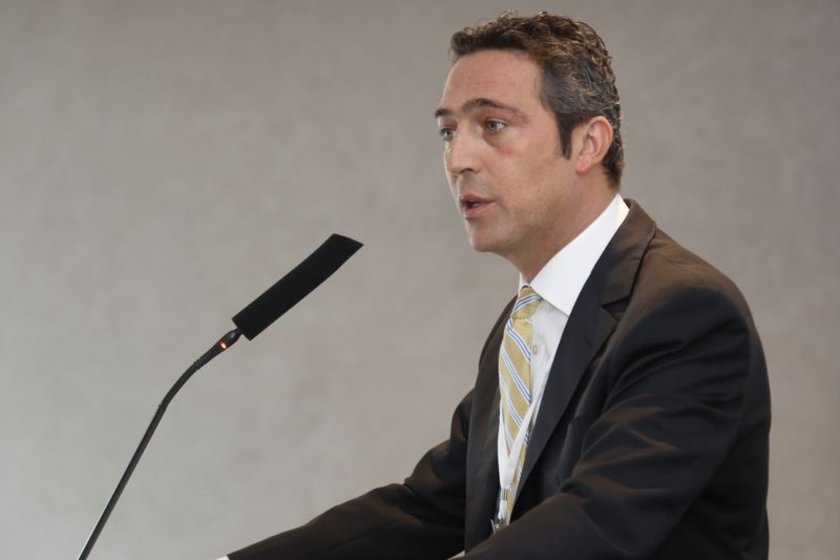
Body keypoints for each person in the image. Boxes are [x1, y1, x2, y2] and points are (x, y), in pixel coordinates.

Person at [223, 11, 770, 559]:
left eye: (493, 125)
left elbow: (596, 523)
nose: (458, 159)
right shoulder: (525, 322)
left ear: (588, 143)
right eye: (448, 132)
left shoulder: (684, 313)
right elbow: (431, 507)